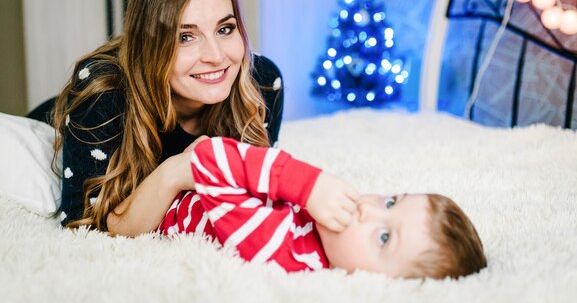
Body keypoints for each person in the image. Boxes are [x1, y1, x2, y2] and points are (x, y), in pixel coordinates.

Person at [38, 0, 283, 236]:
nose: (216, 56)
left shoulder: (262, 81)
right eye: (185, 37)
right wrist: (175, 172)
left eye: (225, 29)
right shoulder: (101, 93)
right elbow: (80, 226)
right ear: (150, 46)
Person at [159, 137, 487, 280]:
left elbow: (205, 158)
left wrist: (306, 183)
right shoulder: (320, 230)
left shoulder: (283, 252)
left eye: (385, 237)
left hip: (157, 201)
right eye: (390, 202)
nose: (367, 210)